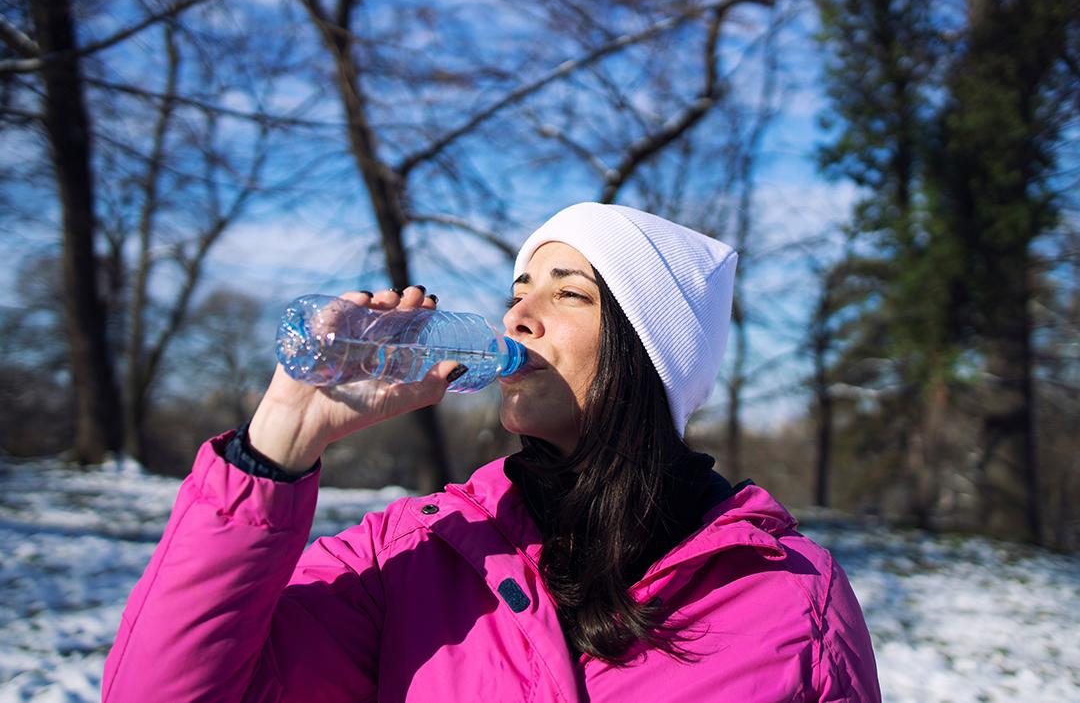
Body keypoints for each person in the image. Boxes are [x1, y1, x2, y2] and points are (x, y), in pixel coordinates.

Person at [102, 202, 881, 702]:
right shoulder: (414, 556)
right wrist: (280, 441)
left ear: (651, 352)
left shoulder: (787, 595)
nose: (518, 315)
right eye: (519, 287)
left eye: (568, 292)